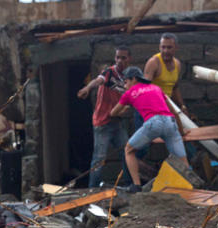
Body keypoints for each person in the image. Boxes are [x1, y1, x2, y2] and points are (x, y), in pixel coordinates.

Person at [109, 66, 187, 193]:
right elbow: (174, 112)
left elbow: (113, 113)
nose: (124, 84)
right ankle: (191, 187)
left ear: (133, 79)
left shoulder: (129, 93)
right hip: (170, 122)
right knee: (182, 160)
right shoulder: (157, 88)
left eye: (126, 81)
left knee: (128, 150)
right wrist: (181, 131)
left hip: (153, 123)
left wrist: (126, 106)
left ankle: (136, 185)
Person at [76, 45, 132, 189]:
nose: (120, 60)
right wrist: (87, 88)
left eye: (123, 58)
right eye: (117, 57)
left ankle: (130, 184)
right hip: (102, 123)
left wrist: (125, 110)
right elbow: (98, 80)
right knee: (99, 159)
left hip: (117, 123)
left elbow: (130, 101)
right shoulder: (109, 72)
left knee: (127, 153)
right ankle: (92, 190)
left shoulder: (129, 79)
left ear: (129, 59)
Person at [143, 32, 187, 113]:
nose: (166, 51)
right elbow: (145, 89)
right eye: (163, 47)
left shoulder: (177, 64)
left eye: (169, 47)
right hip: (151, 107)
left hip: (167, 106)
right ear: (159, 47)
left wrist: (182, 106)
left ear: (176, 48)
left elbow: (175, 88)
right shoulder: (154, 62)